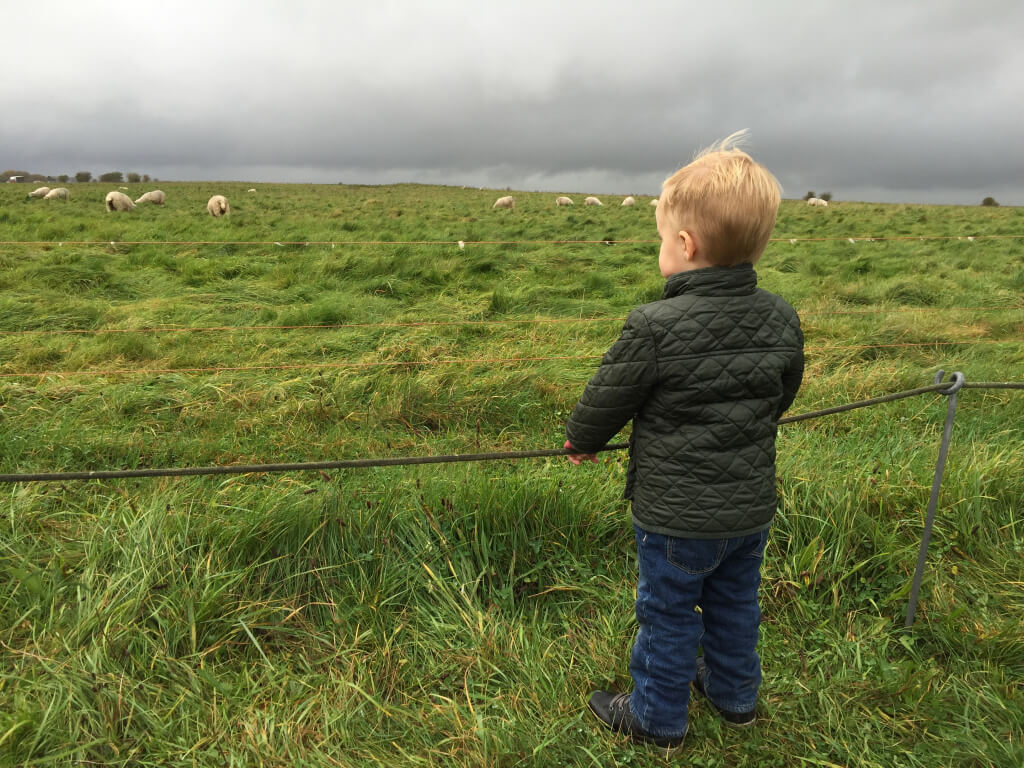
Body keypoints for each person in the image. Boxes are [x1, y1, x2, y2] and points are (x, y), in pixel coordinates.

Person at [563, 131, 804, 753]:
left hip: (675, 516)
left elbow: (608, 396)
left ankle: (657, 718)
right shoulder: (779, 316)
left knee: (668, 615)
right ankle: (734, 697)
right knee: (734, 605)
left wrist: (582, 439)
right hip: (749, 509)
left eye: (662, 238)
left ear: (685, 244)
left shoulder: (652, 325)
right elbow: (783, 392)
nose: (660, 248)